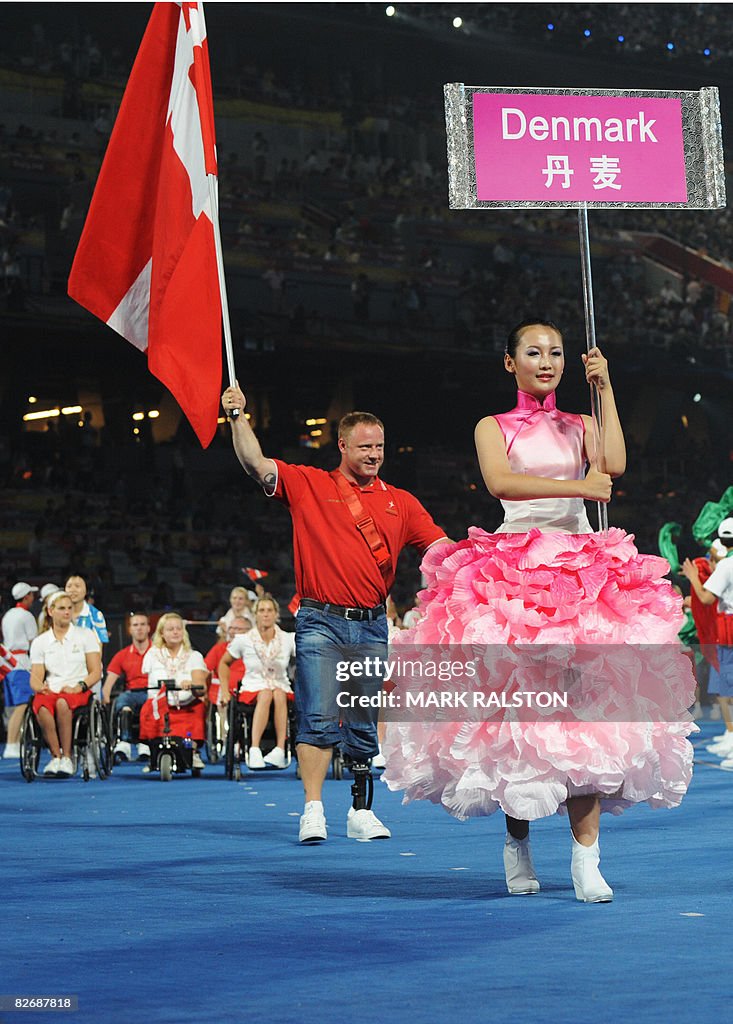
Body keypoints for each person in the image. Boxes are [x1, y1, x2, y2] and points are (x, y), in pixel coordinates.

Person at [382, 319, 696, 902]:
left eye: (555, 352)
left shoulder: (580, 424)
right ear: (511, 363)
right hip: (512, 574)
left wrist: (604, 389)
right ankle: (518, 843)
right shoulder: (491, 426)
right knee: (516, 719)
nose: (546, 361)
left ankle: (585, 860)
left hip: (582, 576)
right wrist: (581, 490)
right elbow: (501, 482)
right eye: (534, 352)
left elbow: (616, 464)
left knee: (586, 717)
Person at [221, 382, 448, 843]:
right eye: (364, 447)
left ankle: (361, 811)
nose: (374, 455)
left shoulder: (400, 501)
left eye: (379, 447)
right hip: (319, 621)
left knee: (363, 720)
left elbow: (442, 548)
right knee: (320, 716)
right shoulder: (309, 483)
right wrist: (237, 417)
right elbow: (255, 464)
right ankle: (313, 809)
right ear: (341, 445)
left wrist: (492, 560)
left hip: (370, 623)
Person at [29, 590, 101, 777]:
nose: (67, 612)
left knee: (63, 703)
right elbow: (36, 677)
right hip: (52, 689)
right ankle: (56, 756)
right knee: (41, 705)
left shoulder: (85, 635)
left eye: (69, 608)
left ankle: (68, 757)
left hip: (78, 690)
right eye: (62, 608)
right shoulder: (40, 642)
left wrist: (80, 686)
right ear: (51, 611)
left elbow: (96, 671)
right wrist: (40, 687)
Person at [219, 595, 295, 769]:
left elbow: (307, 657)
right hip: (253, 686)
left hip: (280, 685)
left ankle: (280, 749)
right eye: (262, 610)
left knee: (278, 693)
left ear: (276, 614)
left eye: (270, 610)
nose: (266, 614)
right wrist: (224, 690)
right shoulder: (243, 640)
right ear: (256, 614)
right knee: (267, 693)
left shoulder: (288, 639)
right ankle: (254, 749)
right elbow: (223, 663)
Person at [682, 518, 733, 766]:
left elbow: (704, 598)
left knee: (729, 688)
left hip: (729, 629)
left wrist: (693, 577)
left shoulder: (726, 566)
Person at [138, 613, 208, 771]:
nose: (175, 632)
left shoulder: (194, 656)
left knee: (194, 718)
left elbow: (201, 687)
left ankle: (192, 751)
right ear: (162, 633)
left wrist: (192, 685)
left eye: (179, 628)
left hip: (186, 705)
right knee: (147, 711)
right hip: (160, 705)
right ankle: (154, 754)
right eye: (170, 629)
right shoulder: (152, 655)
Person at [102, 612, 153, 762]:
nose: (139, 629)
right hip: (131, 693)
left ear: (149, 628)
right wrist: (104, 695)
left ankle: (145, 743)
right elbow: (110, 680)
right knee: (123, 702)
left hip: (152, 692)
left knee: (149, 704)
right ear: (129, 629)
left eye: (143, 625)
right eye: (135, 625)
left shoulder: (157, 652)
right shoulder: (122, 655)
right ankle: (124, 742)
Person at [1, 582, 38, 758]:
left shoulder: (7, 615)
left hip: (7, 662)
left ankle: (14, 742)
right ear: (26, 597)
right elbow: (34, 641)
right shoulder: (26, 616)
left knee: (11, 706)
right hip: (21, 662)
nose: (33, 597)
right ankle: (12, 744)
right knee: (22, 704)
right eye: (31, 594)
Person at [65, 574, 109, 650]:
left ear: (86, 590)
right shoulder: (58, 612)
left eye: (77, 586)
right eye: (69, 586)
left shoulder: (95, 615)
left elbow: (98, 647)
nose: (72, 590)